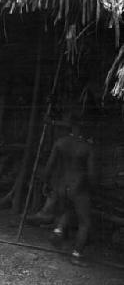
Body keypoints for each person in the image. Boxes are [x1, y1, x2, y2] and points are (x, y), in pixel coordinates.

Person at [43, 112, 96, 266]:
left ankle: (57, 232)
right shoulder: (87, 147)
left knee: (67, 211)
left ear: (71, 126)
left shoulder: (60, 142)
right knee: (85, 223)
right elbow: (92, 175)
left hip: (62, 186)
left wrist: (45, 182)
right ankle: (76, 255)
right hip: (78, 188)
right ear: (84, 128)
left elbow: (49, 166)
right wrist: (92, 189)